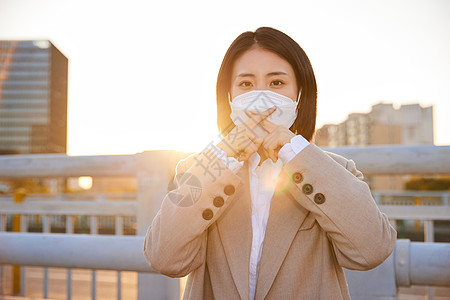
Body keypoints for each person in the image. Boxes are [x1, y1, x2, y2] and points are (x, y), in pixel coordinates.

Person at [143, 27, 397, 300]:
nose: (261, 97)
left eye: (276, 83)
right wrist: (223, 156)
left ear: (299, 96)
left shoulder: (335, 171)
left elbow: (372, 249)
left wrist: (294, 150)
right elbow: (164, 257)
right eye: (246, 84)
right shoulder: (202, 168)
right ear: (229, 98)